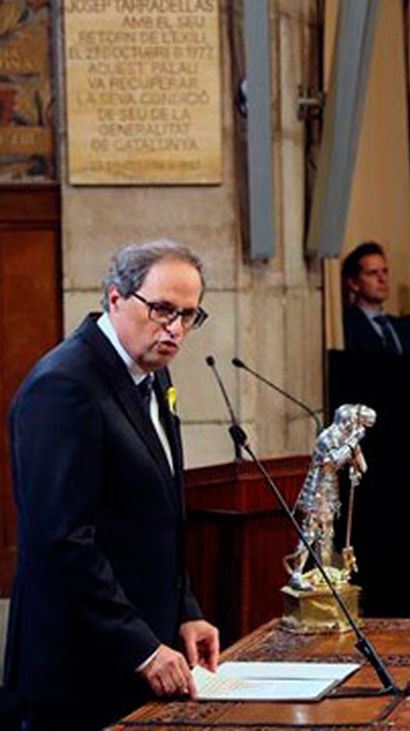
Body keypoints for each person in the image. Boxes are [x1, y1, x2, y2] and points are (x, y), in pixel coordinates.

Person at [6, 240, 220, 729]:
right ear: (116, 298)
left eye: (188, 315)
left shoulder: (151, 375)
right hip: (77, 674)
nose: (175, 328)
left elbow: (153, 519)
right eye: (163, 309)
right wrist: (141, 647)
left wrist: (185, 611)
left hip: (139, 658)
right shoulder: (64, 386)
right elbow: (61, 542)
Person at [341, 241, 407, 354]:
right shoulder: (346, 325)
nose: (382, 279)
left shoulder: (401, 326)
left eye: (384, 272)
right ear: (354, 283)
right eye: (372, 273)